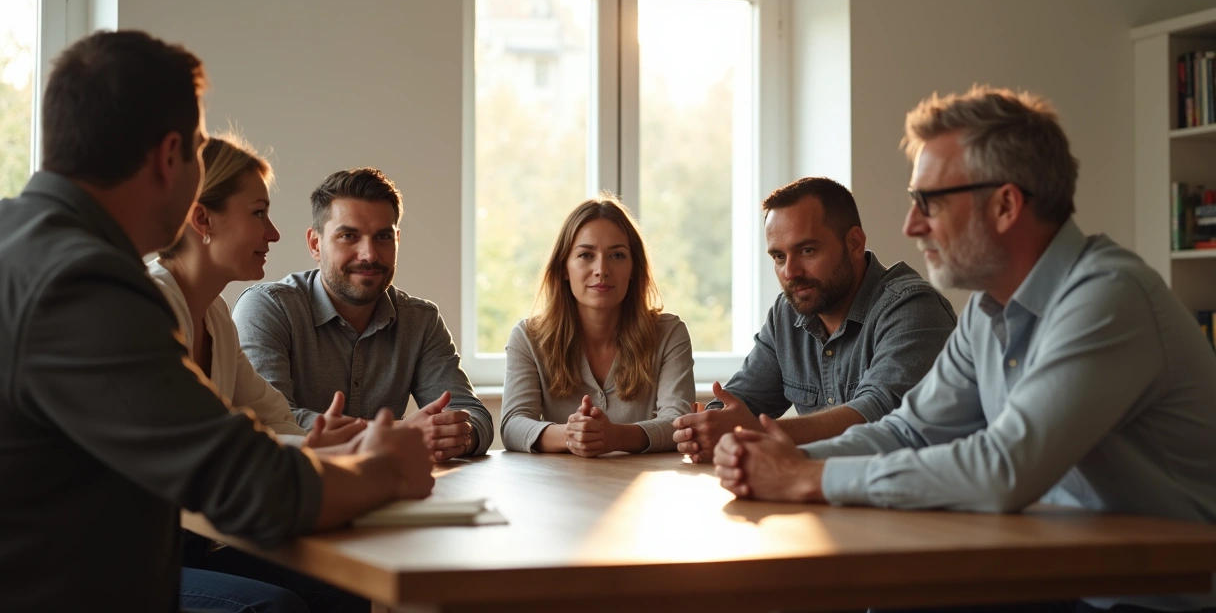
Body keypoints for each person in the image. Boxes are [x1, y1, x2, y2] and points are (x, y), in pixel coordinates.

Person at [713, 86, 1216, 613]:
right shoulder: (986, 310)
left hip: (1162, 599)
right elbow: (909, 431)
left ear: (1005, 205)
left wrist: (806, 477)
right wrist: (779, 459)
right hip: (1065, 578)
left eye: (929, 202)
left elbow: (1004, 469)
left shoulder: (1108, 297)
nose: (911, 226)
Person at [0, 30, 433, 613]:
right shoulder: (84, 284)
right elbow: (245, 485)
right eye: (198, 150)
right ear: (168, 156)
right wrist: (386, 468)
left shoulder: (20, 242)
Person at [150, 133, 371, 612]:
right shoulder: (149, 309)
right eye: (258, 213)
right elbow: (200, 451)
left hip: (191, 545)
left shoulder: (215, 316)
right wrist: (316, 452)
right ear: (202, 219)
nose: (273, 234)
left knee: (351, 589)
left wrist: (323, 444)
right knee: (273, 608)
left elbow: (274, 421)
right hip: (123, 559)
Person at [673, 177, 956, 462]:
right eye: (779, 257)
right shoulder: (787, 313)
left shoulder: (913, 308)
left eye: (807, 251)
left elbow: (877, 414)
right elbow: (743, 399)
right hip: (817, 485)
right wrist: (707, 426)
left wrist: (752, 431)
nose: (790, 272)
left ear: (855, 243)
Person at [232, 167, 493, 460]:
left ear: (397, 240)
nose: (369, 254)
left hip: (386, 483)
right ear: (315, 244)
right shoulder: (268, 308)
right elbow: (270, 421)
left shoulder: (421, 321)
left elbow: (474, 415)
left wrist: (457, 433)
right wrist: (398, 433)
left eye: (383, 236)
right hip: (294, 483)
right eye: (349, 236)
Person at [500, 195, 695, 455]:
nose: (601, 269)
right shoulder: (528, 337)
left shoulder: (669, 333)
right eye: (586, 255)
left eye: (617, 255)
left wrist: (616, 437)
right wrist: (570, 435)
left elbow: (679, 423)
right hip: (558, 479)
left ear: (633, 268)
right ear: (564, 268)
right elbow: (512, 425)